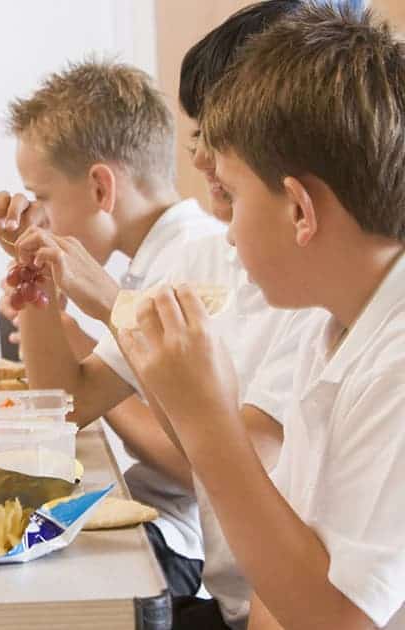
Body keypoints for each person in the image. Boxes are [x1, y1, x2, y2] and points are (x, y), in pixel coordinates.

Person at [119, 5, 405, 628]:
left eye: (236, 194)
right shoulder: (334, 328)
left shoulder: (397, 364)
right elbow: (278, 580)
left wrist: (206, 420)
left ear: (300, 210)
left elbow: (338, 620)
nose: (227, 234)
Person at [0, 58, 224, 601]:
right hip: (154, 519)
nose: (37, 214)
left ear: (100, 187)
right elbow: (67, 401)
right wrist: (34, 277)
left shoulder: (193, 259)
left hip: (183, 546)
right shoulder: (153, 259)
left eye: (41, 196)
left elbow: (192, 466)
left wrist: (113, 319)